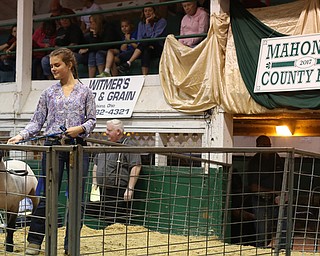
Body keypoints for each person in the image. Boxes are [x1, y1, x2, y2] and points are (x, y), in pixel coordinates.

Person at [7, 47, 96, 255]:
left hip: (77, 148)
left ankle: (70, 244)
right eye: (52, 65)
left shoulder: (85, 92)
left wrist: (80, 128)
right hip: (53, 146)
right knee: (46, 195)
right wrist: (22, 135)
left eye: (57, 65)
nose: (53, 68)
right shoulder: (48, 93)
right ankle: (35, 241)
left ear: (69, 65)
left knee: (77, 197)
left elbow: (92, 120)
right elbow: (37, 121)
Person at [90, 119, 141, 225]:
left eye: (109, 130)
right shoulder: (104, 144)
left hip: (118, 191)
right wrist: (94, 183)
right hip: (102, 190)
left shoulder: (128, 145)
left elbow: (136, 166)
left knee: (116, 222)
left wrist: (130, 188)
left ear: (118, 132)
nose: (106, 133)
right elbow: (96, 164)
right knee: (105, 219)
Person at [247, 135, 286, 249]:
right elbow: (253, 187)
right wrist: (273, 191)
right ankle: (261, 249)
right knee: (262, 230)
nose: (266, 147)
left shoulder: (276, 158)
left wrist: (283, 192)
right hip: (261, 199)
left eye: (268, 145)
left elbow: (284, 175)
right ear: (257, 146)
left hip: (278, 199)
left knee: (283, 225)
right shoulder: (254, 162)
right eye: (263, 145)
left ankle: (283, 249)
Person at [118, 3, 167, 76]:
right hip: (146, 47)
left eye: (150, 10)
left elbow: (153, 37)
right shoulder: (141, 23)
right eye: (145, 11)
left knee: (146, 42)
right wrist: (147, 44)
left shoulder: (161, 21)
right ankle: (144, 76)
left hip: (158, 47)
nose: (147, 13)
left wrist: (148, 23)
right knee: (146, 49)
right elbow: (139, 40)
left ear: (154, 11)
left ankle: (129, 62)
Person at [41, 12, 86, 79]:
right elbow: (56, 45)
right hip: (59, 52)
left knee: (64, 59)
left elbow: (73, 45)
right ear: (60, 21)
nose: (64, 21)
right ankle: (51, 80)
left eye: (66, 19)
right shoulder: (60, 30)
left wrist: (62, 51)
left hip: (74, 53)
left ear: (69, 19)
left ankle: (67, 79)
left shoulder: (75, 29)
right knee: (45, 60)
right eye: (62, 19)